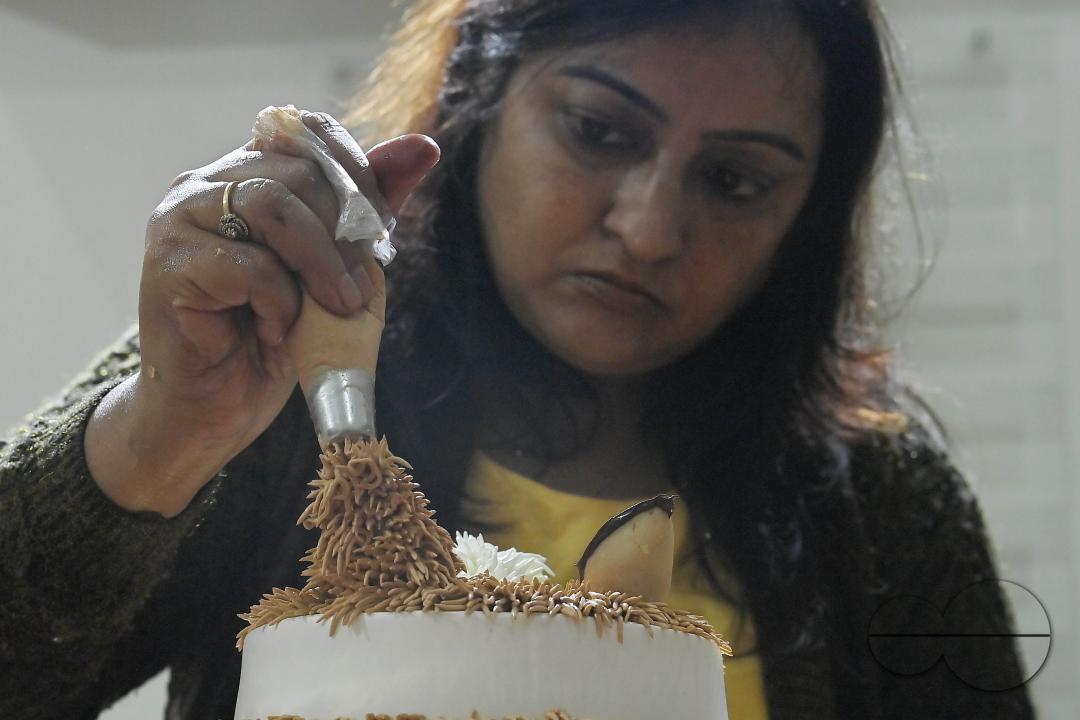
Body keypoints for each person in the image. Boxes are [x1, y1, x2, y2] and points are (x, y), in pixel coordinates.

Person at [0, 0, 1036, 718]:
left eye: (733, 182)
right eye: (597, 130)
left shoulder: (882, 511)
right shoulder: (273, 378)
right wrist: (153, 439)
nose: (647, 228)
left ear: (804, 221)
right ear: (477, 98)